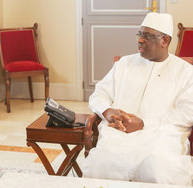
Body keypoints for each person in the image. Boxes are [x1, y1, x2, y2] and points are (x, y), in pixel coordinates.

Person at [82, 13, 193, 186]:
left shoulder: (186, 72)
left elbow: (187, 112)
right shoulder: (124, 64)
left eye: (147, 36)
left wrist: (145, 124)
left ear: (165, 40)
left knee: (157, 166)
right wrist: (107, 111)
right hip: (119, 133)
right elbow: (99, 94)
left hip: (162, 135)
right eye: (139, 34)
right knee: (102, 162)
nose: (140, 40)